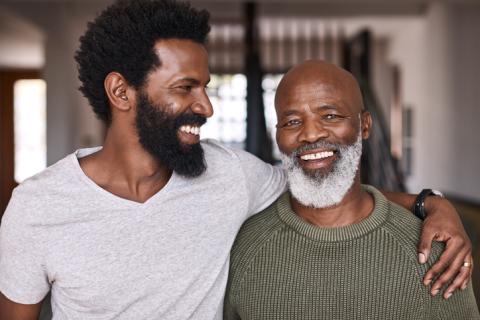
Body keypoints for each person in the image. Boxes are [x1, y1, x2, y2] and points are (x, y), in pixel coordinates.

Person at [0, 1, 472, 319]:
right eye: (187, 88)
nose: (206, 106)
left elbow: (323, 181)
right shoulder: (38, 207)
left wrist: (431, 203)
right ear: (122, 92)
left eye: (205, 87)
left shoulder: (230, 174)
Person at [224, 60, 479, 320]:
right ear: (276, 135)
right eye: (291, 121)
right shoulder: (244, 249)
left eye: (330, 116)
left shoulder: (433, 252)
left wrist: (434, 203)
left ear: (364, 125)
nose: (311, 134)